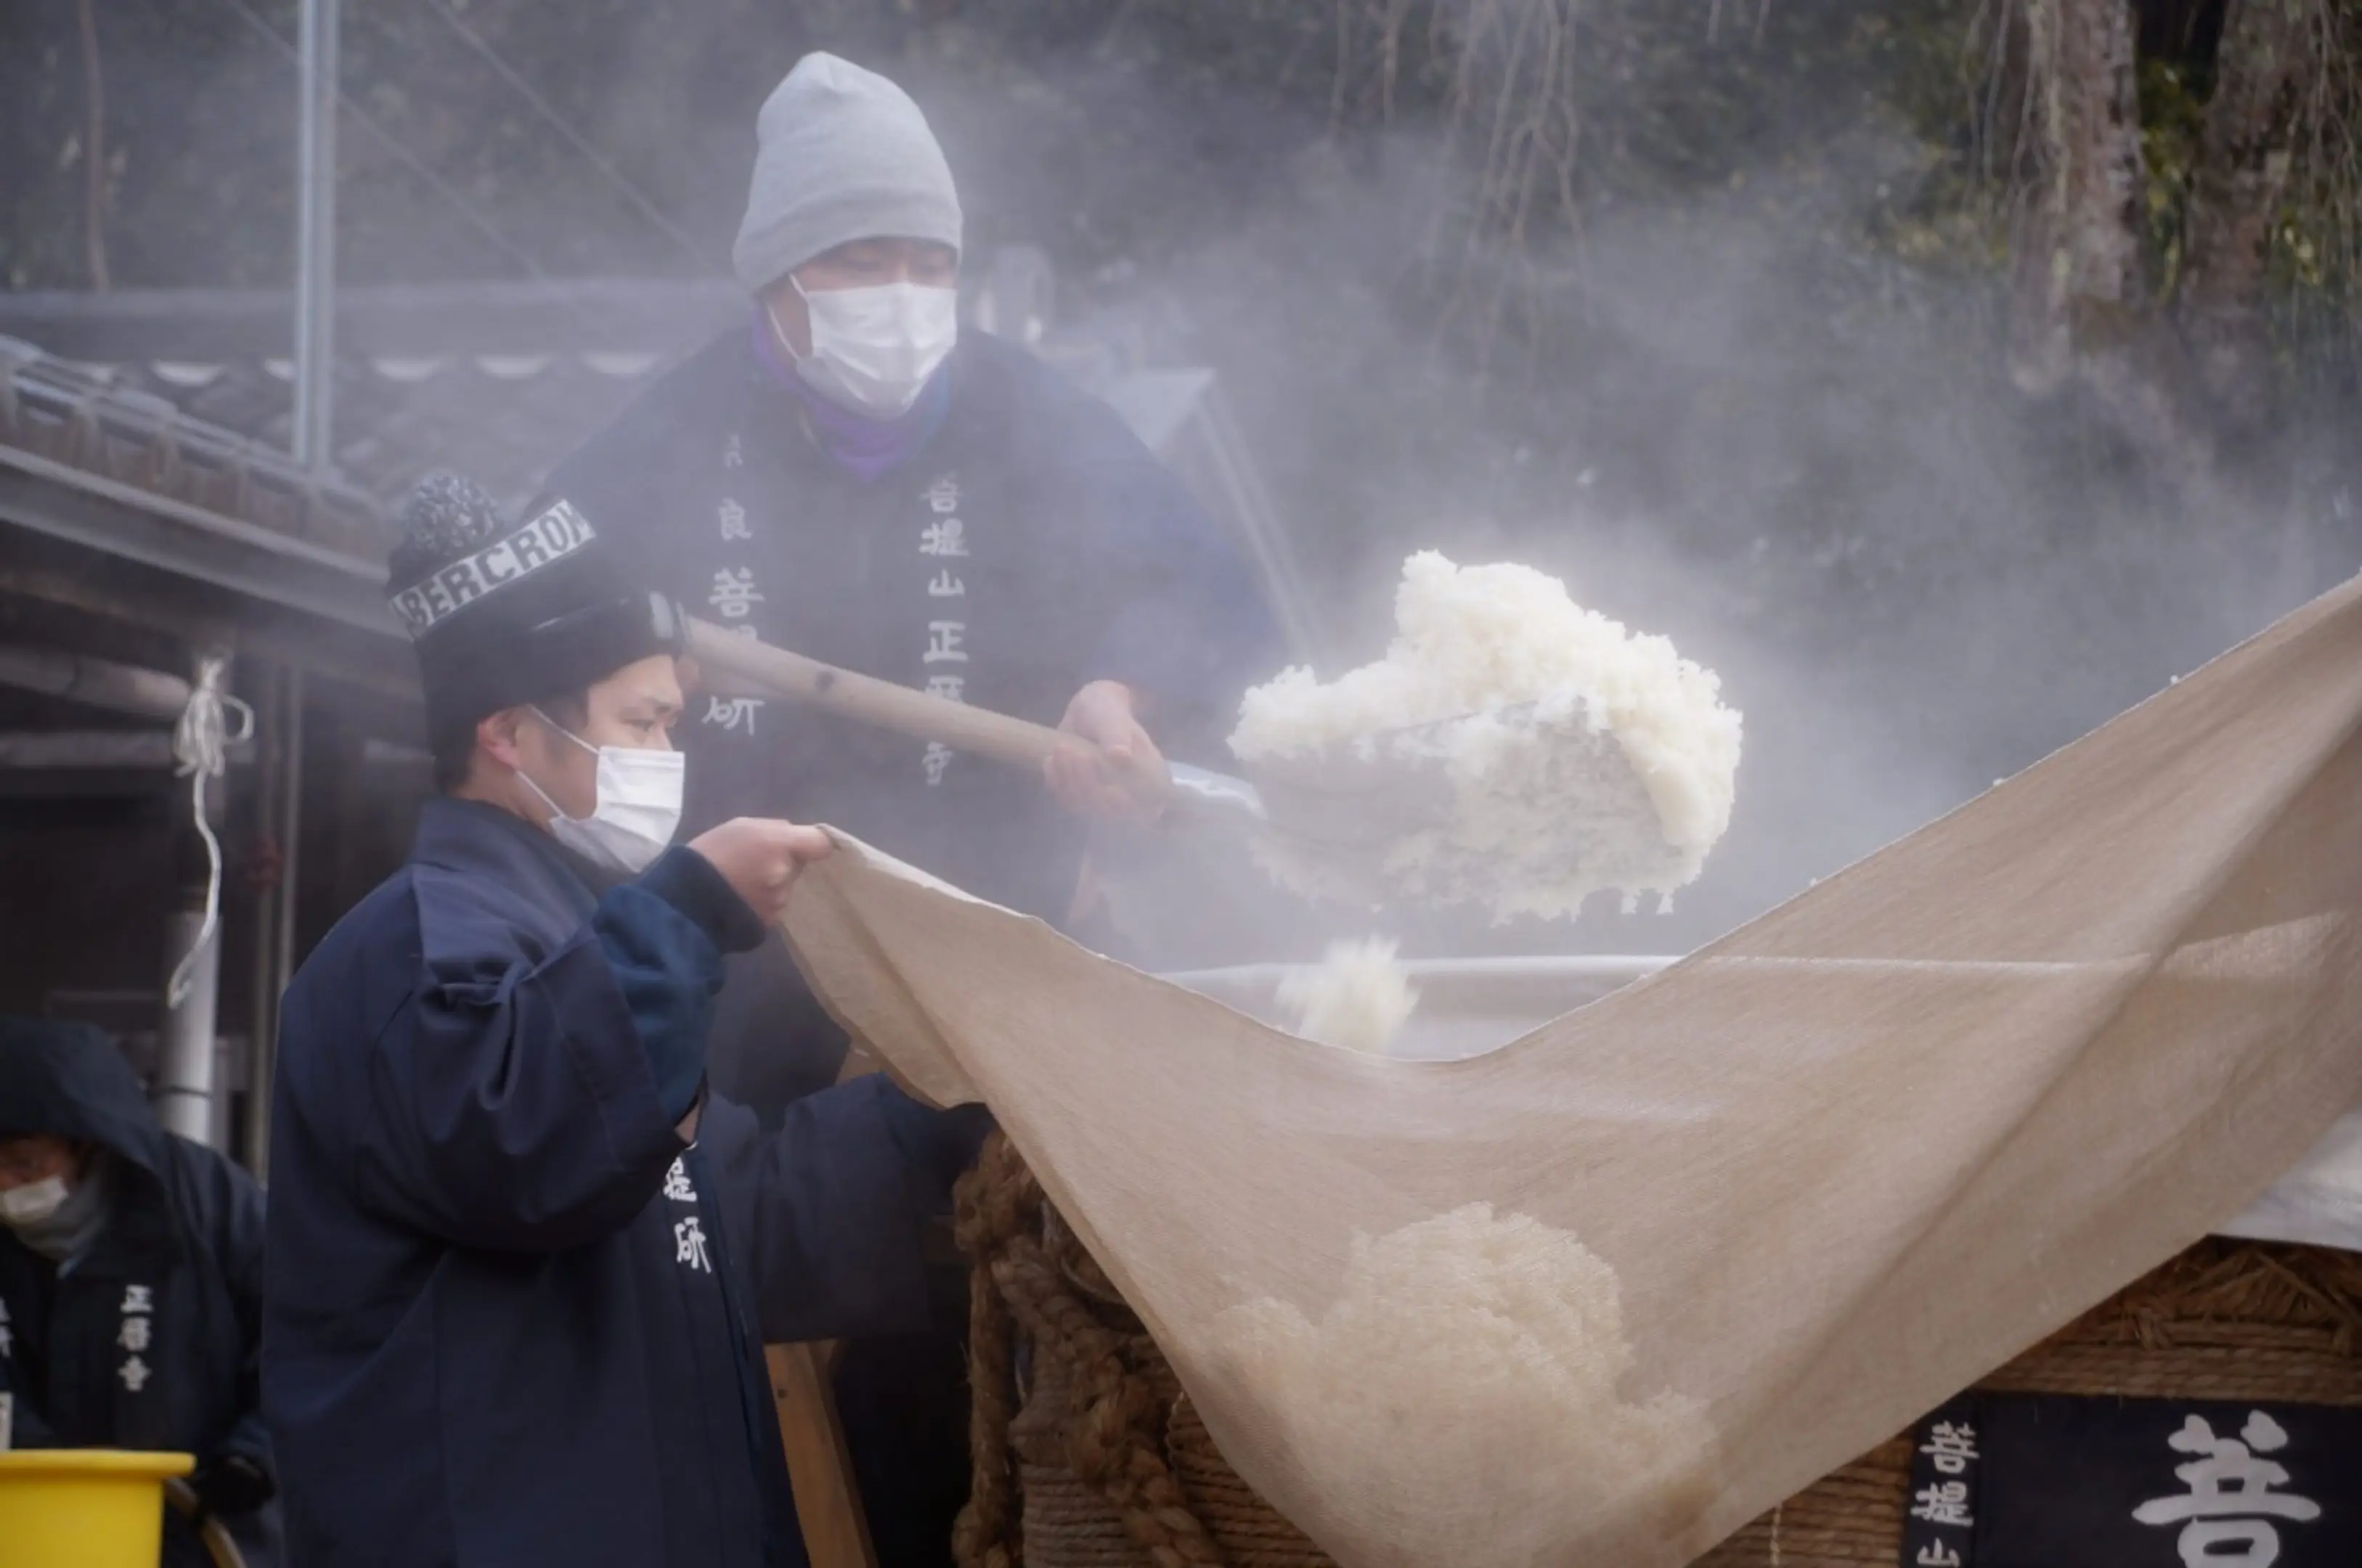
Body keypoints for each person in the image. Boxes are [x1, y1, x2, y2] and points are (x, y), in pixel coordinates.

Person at [545, 59, 1283, 1558]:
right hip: (743, 1004)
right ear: (778, 280)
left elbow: (1205, 595)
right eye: (858, 260)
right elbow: (535, 668)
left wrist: (1123, 693)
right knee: (734, 1355)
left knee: (991, 1342)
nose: (899, 293)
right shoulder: (655, 452)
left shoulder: (1034, 424)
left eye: (926, 263)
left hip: (983, 990)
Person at [263, 473, 990, 1568]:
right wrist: (688, 910)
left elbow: (731, 1212)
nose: (665, 758)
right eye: (641, 722)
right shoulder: (421, 943)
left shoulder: (577, 933)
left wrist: (948, 1106)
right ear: (509, 732)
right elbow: (531, 1143)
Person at [0, 1016, 280, 1567]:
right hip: (39, 1533)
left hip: (213, 1527)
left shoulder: (211, 1206)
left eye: (23, 1162)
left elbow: (310, 1340)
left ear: (88, 1144)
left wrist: (256, 1456)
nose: (5, 1183)